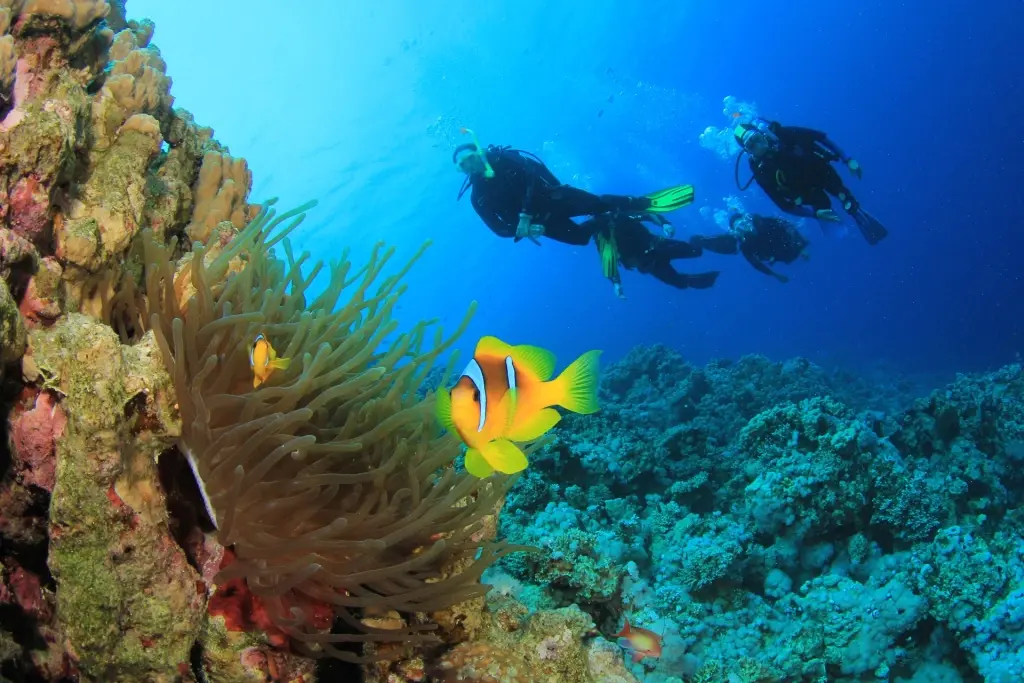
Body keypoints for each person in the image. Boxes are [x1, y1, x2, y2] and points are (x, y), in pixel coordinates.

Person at [454, 129, 696, 246]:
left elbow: (532, 174)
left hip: (555, 197)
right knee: (581, 239)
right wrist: (522, 230)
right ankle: (608, 220)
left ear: (479, 151)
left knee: (598, 203)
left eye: (471, 157)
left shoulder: (506, 158)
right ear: (461, 171)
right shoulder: (478, 198)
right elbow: (497, 228)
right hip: (543, 223)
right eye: (462, 165)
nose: (469, 164)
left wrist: (525, 215)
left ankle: (640, 203)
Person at [732, 118, 888, 245]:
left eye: (757, 139)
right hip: (806, 192)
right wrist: (815, 214)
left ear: (762, 133)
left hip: (821, 172)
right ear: (748, 152)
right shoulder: (760, 171)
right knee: (822, 204)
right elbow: (783, 205)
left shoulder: (783, 134)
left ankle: (853, 209)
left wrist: (847, 159)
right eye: (751, 146)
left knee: (844, 196)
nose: (758, 146)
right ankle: (831, 213)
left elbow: (820, 137)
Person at [581, 212, 719, 298]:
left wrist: (665, 224)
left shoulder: (620, 215)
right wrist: (616, 284)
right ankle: (706, 279)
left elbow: (647, 214)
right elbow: (608, 262)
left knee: (696, 251)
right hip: (648, 263)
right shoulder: (601, 239)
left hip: (659, 246)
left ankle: (699, 241)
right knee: (680, 283)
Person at [691, 213, 809, 283]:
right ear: (734, 231)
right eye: (738, 227)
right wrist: (775, 275)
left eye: (743, 222)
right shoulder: (745, 246)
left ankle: (798, 249)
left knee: (787, 243)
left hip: (787, 245)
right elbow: (756, 264)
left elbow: (786, 226)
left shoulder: (764, 223)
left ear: (748, 219)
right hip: (777, 254)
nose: (743, 227)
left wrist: (800, 247)